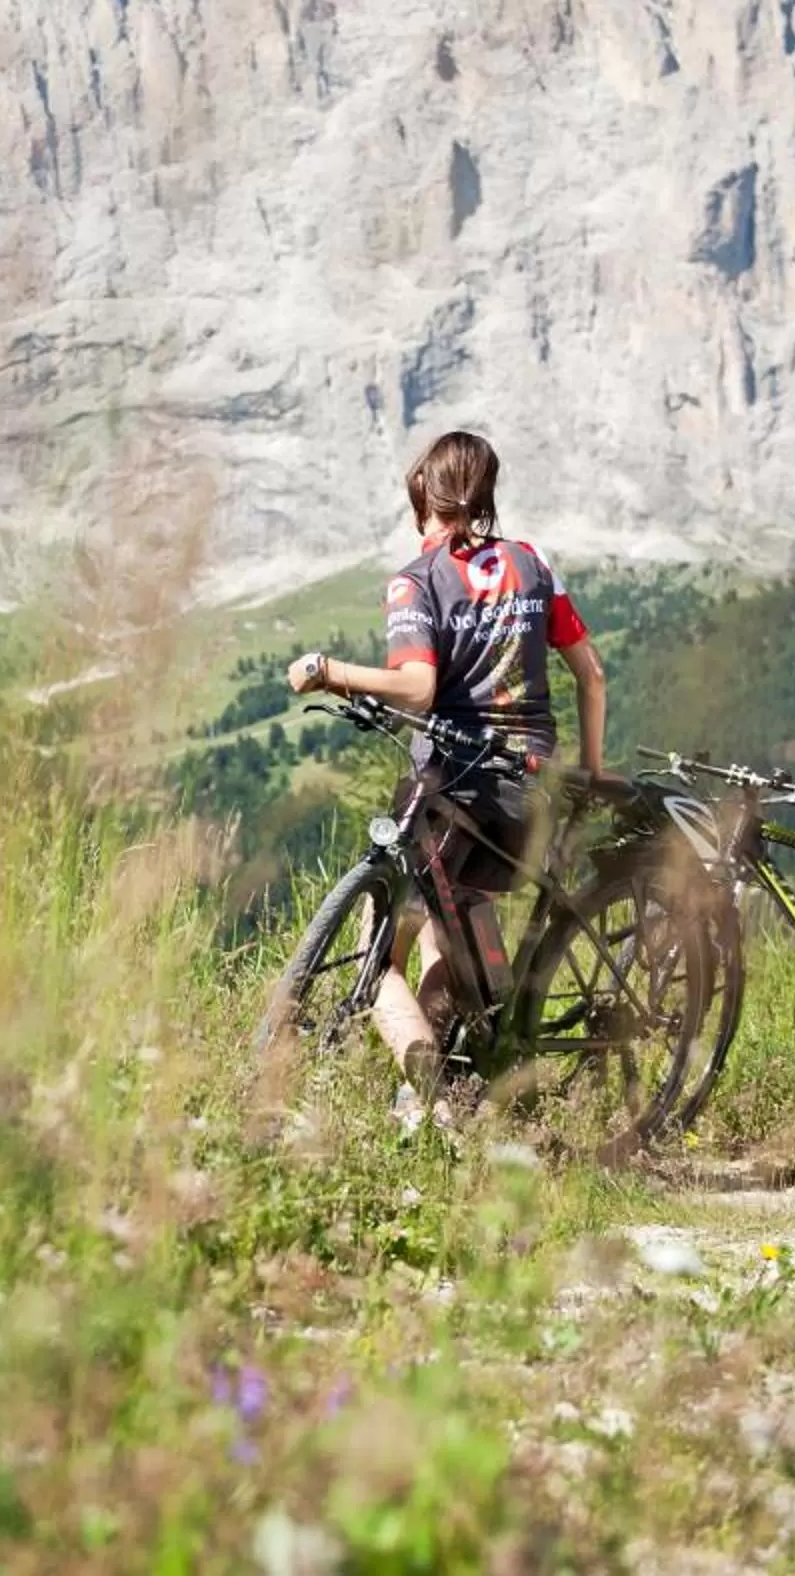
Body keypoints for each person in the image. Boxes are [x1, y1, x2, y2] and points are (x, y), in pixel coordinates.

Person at [285, 430, 607, 1122]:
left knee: (378, 946)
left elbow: (418, 687)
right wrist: (593, 773)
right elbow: (592, 674)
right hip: (528, 790)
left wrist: (328, 672)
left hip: (452, 784)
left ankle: (423, 1087)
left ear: (421, 503)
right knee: (450, 924)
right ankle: (458, 1081)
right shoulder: (533, 564)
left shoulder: (417, 579)